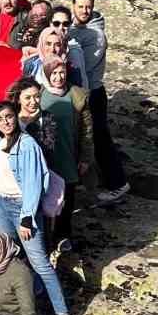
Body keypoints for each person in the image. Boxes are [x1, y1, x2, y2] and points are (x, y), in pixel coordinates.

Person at [0, 99, 72, 315]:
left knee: (40, 263)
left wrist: (27, 218)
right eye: (0, 119)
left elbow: (33, 184)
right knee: (11, 256)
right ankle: (26, 307)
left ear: (16, 117)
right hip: (2, 204)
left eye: (9, 117)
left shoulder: (27, 144)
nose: (5, 122)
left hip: (23, 209)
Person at [71, 0, 129, 204]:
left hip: (92, 93)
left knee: (98, 139)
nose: (85, 10)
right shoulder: (74, 27)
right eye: (81, 7)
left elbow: (79, 64)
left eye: (88, 7)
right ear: (73, 6)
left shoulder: (96, 36)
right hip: (80, 92)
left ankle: (118, 183)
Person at [40, 54, 93, 254]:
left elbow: (87, 131)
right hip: (47, 156)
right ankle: (45, 237)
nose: (58, 77)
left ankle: (63, 235)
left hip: (69, 154)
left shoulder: (77, 95)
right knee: (45, 198)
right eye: (54, 73)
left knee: (67, 198)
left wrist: (86, 157)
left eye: (61, 72)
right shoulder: (40, 94)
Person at [21, 24, 89, 90]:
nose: (52, 49)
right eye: (48, 44)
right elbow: (25, 90)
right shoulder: (31, 64)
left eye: (57, 45)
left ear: (62, 47)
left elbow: (77, 94)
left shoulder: (71, 69)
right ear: (41, 44)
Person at [12, 77, 57, 159]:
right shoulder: (12, 119)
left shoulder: (47, 118)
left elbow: (48, 150)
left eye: (37, 96)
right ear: (18, 99)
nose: (33, 102)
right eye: (27, 98)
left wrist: (31, 125)